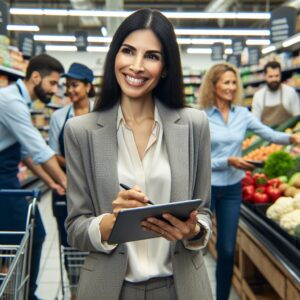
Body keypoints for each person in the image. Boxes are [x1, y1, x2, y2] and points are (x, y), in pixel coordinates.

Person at [64, 8, 213, 300]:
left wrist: (193, 230)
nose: (136, 66)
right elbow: (75, 228)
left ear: (166, 67)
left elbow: (204, 213)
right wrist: (110, 221)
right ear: (114, 57)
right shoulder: (80, 131)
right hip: (110, 289)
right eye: (128, 51)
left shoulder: (194, 125)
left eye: (152, 56)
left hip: (180, 287)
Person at [198, 62, 300, 300]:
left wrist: (292, 138)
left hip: (233, 189)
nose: (232, 87)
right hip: (207, 188)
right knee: (196, 247)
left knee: (226, 250)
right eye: (226, 82)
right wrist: (227, 162)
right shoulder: (201, 117)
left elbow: (270, 134)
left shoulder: (242, 115)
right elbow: (197, 159)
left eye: (234, 83)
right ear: (213, 86)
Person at [0, 53, 67, 300]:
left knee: (28, 235)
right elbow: (38, 149)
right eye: (52, 83)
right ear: (35, 77)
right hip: (2, 180)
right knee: (32, 235)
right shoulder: (11, 102)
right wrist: (67, 182)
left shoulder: (17, 100)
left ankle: (22, 291)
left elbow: (26, 153)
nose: (54, 90)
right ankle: (25, 294)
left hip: (7, 177)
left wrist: (51, 182)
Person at [49, 62, 95, 300]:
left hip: (98, 190)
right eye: (67, 85)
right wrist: (77, 165)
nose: (70, 90)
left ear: (88, 86)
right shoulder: (59, 116)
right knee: (70, 245)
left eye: (75, 85)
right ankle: (76, 292)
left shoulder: (103, 113)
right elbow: (53, 154)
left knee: (98, 238)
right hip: (67, 188)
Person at [252, 60, 300, 126]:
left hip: (287, 134)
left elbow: (297, 118)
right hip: (266, 135)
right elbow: (255, 122)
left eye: (277, 76)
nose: (274, 79)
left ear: (280, 75)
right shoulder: (258, 96)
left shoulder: (290, 92)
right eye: (270, 76)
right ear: (265, 76)